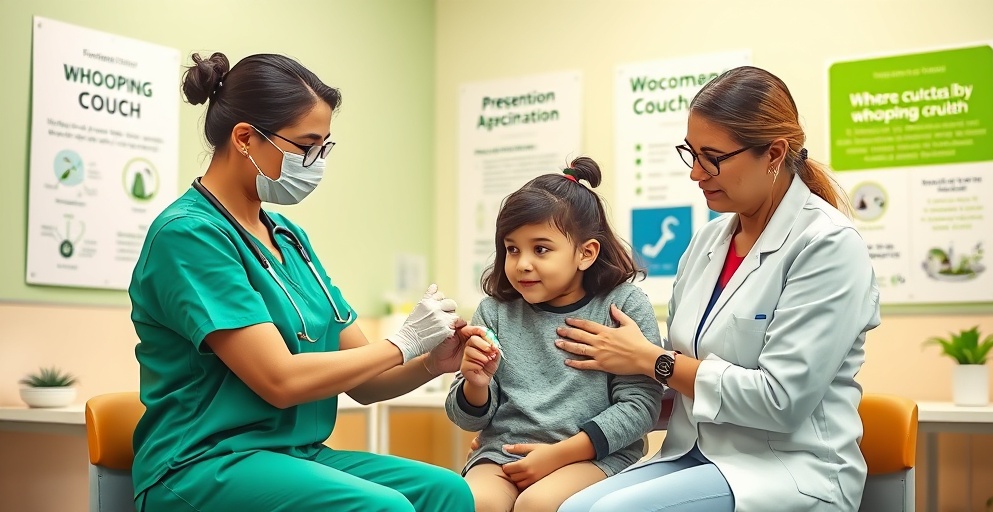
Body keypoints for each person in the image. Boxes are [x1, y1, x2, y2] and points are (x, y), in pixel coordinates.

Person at [128, 52, 476, 512]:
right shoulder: (189, 236)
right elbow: (279, 381)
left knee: (446, 491)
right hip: (203, 465)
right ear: (246, 138)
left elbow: (365, 382)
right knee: (383, 508)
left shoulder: (289, 239)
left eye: (324, 147)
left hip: (296, 455)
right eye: (306, 145)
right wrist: (402, 342)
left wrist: (433, 360)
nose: (316, 162)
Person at [555, 66, 881, 512]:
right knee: (568, 507)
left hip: (786, 471)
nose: (696, 174)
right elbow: (678, 382)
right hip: (693, 454)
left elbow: (780, 400)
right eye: (691, 153)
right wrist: (545, 421)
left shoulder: (827, 246)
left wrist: (651, 360)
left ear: (773, 153)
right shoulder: (708, 242)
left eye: (713, 157)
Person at [446, 157, 665, 512]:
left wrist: (557, 455)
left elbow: (640, 407)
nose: (522, 263)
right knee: (474, 503)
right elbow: (468, 419)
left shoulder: (624, 306)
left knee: (539, 505)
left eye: (541, 249)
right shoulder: (494, 311)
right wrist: (475, 384)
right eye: (512, 249)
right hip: (503, 454)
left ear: (586, 253)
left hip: (591, 455)